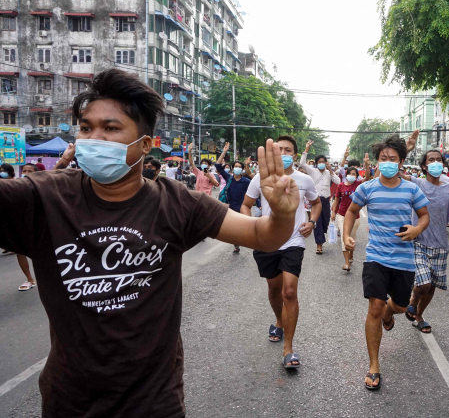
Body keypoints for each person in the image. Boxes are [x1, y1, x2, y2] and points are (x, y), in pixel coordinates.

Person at [0, 68, 302, 417]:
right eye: (86, 128)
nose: (94, 139)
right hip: (69, 402)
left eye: (111, 129)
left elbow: (262, 237)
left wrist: (281, 214)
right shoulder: (41, 197)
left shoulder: (176, 202)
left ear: (144, 145)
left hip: (155, 402)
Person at [343, 134, 430, 390]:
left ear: (401, 161)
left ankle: (390, 313)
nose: (388, 162)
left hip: (403, 259)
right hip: (376, 257)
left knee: (401, 306)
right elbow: (351, 212)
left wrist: (416, 230)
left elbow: (424, 216)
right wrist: (348, 234)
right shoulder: (367, 188)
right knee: (374, 308)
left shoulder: (412, 189)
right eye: (384, 158)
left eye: (393, 159)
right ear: (378, 161)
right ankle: (373, 366)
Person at [241, 135, 321, 369]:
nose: (283, 153)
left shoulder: (304, 179)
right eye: (280, 149)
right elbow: (246, 205)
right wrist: (251, 228)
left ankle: (289, 348)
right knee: (274, 288)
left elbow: (316, 204)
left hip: (294, 240)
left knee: (289, 291)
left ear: (295, 155)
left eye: (288, 150)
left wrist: (312, 223)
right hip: (266, 241)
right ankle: (278, 319)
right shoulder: (259, 178)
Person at [400, 148, 449, 333]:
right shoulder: (417, 183)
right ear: (424, 165)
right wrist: (406, 148)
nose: (435, 162)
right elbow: (397, 174)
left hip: (440, 245)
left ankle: (419, 316)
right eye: (431, 160)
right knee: (424, 283)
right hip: (418, 241)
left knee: (431, 288)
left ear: (443, 165)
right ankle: (413, 300)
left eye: (438, 160)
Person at [1, 163, 38, 291]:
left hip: (38, 225)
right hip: (21, 224)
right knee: (20, 253)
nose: (26, 173)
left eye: (30, 171)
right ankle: (30, 279)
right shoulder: (16, 186)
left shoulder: (42, 187)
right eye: (25, 170)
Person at [300, 140, 340, 255]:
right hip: (316, 201)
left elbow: (338, 181)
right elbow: (302, 163)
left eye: (323, 161)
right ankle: (319, 245)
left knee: (325, 222)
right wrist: (306, 149)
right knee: (317, 222)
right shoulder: (312, 171)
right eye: (320, 161)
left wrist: (331, 170)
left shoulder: (328, 173)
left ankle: (321, 237)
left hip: (326, 201)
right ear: (317, 163)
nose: (322, 163)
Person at [215, 141, 251, 254]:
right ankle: (236, 244)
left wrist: (258, 204)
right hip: (229, 208)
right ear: (232, 168)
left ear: (242, 169)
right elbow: (217, 166)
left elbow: (252, 194)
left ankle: (239, 240)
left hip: (241, 208)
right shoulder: (229, 178)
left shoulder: (246, 181)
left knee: (240, 228)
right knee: (233, 229)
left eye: (239, 167)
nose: (237, 168)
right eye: (236, 166)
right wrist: (224, 151)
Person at [331, 166, 361, 271]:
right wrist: (334, 212)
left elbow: (367, 179)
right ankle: (347, 263)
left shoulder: (358, 185)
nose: (351, 176)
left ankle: (351, 254)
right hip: (342, 215)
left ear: (357, 177)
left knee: (351, 238)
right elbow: (336, 200)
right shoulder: (340, 186)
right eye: (350, 173)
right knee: (345, 238)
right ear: (346, 174)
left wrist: (366, 165)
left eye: (354, 174)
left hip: (355, 216)